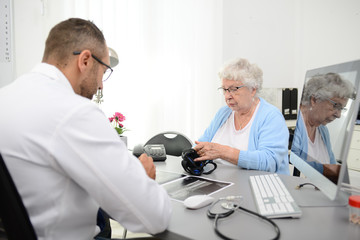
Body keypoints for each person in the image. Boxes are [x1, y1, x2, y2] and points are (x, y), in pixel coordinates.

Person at [0, 18, 171, 239]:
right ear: (85, 60)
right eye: (104, 71)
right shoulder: (74, 112)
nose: (101, 85)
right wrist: (143, 179)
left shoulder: (6, 97)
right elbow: (154, 216)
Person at [194, 58, 290, 175]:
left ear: (253, 89)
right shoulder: (224, 113)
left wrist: (223, 152)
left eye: (233, 89)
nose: (227, 96)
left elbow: (269, 162)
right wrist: (192, 152)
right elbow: (202, 143)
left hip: (256, 186)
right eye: (224, 90)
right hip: (219, 182)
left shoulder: (271, 116)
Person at [291, 73, 355, 182]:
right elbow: (293, 164)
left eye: (342, 109)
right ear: (315, 100)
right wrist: (327, 170)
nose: (338, 115)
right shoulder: (294, 127)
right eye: (336, 106)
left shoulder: (323, 130)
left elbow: (332, 165)